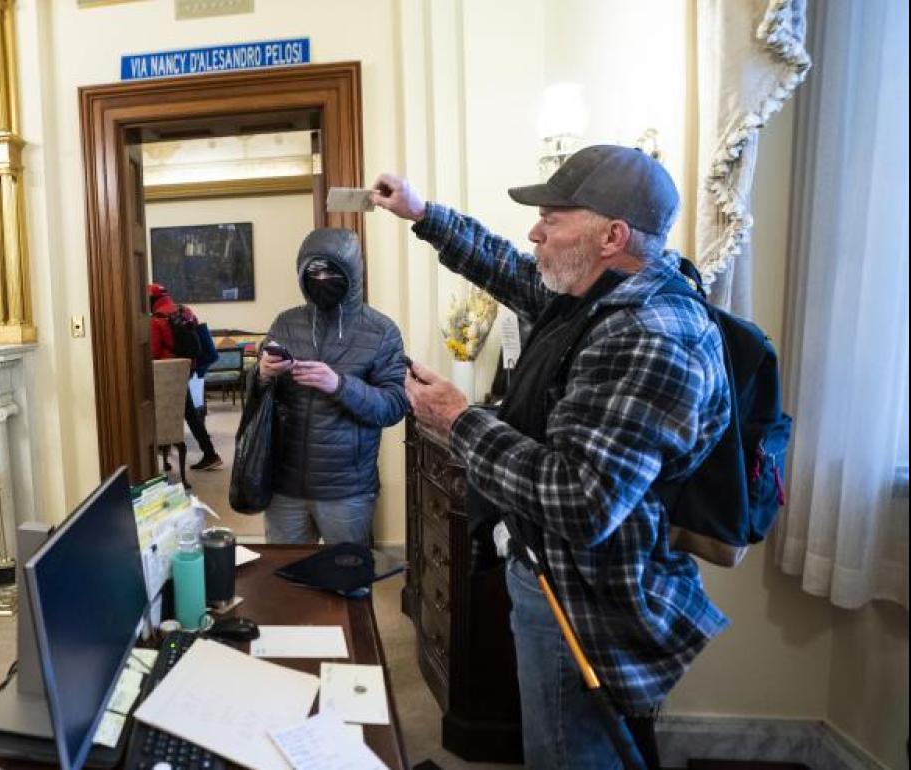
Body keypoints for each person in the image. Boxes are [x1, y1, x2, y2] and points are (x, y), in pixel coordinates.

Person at [372, 145, 731, 769]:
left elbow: (583, 501)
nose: (535, 231)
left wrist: (458, 420)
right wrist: (422, 213)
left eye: (553, 219)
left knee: (567, 754)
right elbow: (510, 269)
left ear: (612, 235)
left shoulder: (647, 334)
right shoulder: (600, 293)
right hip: (552, 575)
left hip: (584, 600)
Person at [251, 228, 409, 546]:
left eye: (330, 271)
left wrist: (339, 385)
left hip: (347, 491)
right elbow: (257, 393)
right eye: (314, 272)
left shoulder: (381, 331)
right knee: (285, 585)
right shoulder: (285, 323)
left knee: (347, 586)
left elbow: (394, 405)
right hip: (284, 485)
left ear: (351, 272)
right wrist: (263, 374)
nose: (321, 278)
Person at [148, 283, 222, 471]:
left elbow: (154, 353)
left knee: (175, 413)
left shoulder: (156, 320)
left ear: (151, 300)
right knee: (187, 412)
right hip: (188, 368)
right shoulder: (185, 310)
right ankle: (207, 453)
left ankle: (209, 453)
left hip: (168, 374)